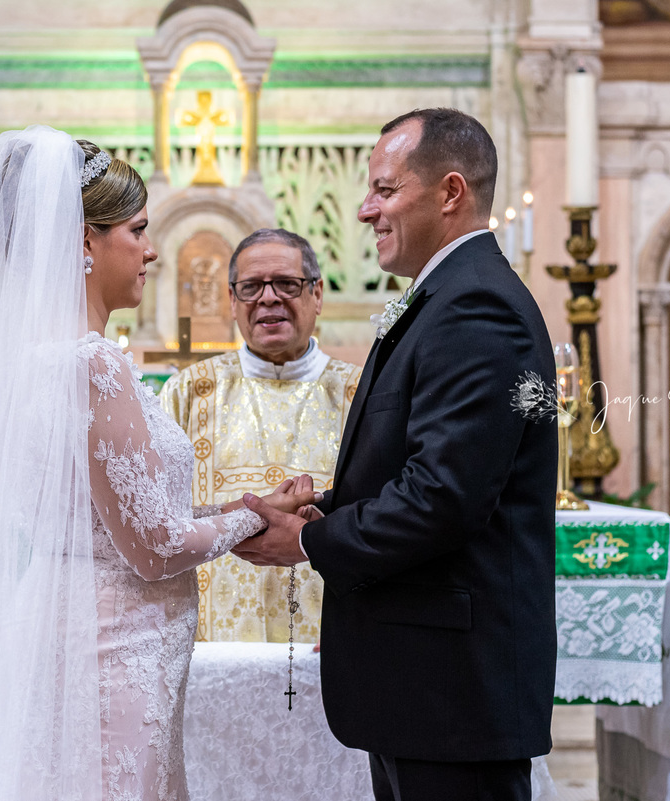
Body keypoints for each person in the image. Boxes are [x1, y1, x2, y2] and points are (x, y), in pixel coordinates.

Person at [0, 127, 317, 801]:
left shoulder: (36, 359)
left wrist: (245, 507)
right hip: (117, 648)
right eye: (137, 229)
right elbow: (153, 547)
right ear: (83, 243)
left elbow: (117, 518)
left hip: (66, 622)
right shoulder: (93, 363)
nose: (154, 248)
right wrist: (250, 521)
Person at [235, 108, 558, 801]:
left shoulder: (476, 308)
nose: (364, 209)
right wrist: (324, 501)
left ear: (449, 193)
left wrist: (310, 538)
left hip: (451, 688)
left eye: (384, 189)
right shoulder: (446, 297)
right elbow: (424, 467)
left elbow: (442, 498)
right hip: (427, 685)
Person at [160, 228, 360, 643]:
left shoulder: (360, 393)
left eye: (286, 284)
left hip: (335, 636)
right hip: (211, 642)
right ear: (233, 301)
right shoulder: (187, 393)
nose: (268, 298)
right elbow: (159, 521)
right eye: (251, 287)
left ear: (317, 294)